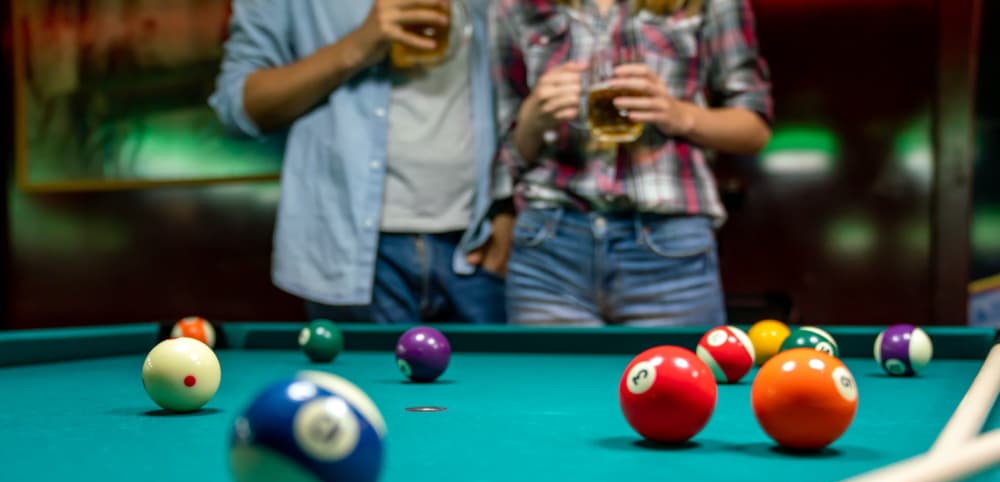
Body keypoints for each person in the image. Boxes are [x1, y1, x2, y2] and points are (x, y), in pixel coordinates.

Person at [210, 0, 510, 323]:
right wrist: (356, 46)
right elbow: (238, 107)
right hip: (347, 247)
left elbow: (520, 79)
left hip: (478, 242)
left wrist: (510, 209)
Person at [491, 0, 772, 326]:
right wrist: (531, 120)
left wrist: (680, 115)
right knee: (542, 378)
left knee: (679, 378)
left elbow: (755, 131)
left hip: (670, 248)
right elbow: (504, 154)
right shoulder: (513, 6)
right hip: (548, 247)